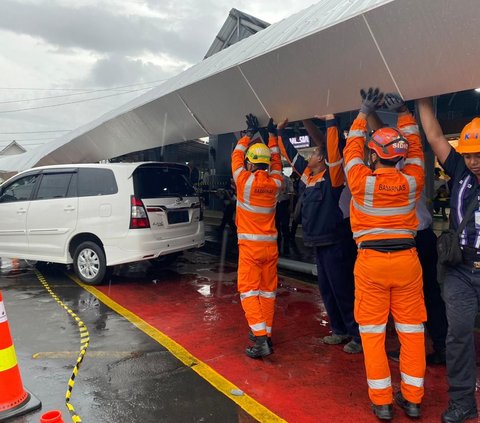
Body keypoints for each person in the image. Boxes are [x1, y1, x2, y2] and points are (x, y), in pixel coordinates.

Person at [344, 89, 426, 420]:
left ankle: (382, 403)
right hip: (408, 262)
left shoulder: (361, 181)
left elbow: (350, 149)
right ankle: (414, 400)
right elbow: (418, 152)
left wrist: (364, 111)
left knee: (373, 334)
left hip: (371, 265)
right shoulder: (412, 181)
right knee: (412, 332)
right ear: (399, 158)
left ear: (374, 157)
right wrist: (405, 114)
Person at [367, 111, 448, 366]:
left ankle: (425, 349)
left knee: (409, 305)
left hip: (409, 243)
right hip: (419, 238)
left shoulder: (391, 168)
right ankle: (439, 346)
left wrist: (368, 114)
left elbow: (387, 143)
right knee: (426, 298)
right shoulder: (411, 172)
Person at [417, 97, 480, 423]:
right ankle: (463, 402)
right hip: (461, 268)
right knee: (458, 334)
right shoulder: (459, 170)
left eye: (478, 155)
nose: (472, 161)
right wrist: (423, 96)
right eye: (468, 155)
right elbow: (435, 137)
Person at [277, 115, 362, 354]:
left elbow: (334, 152)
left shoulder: (333, 177)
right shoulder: (309, 177)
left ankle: (357, 335)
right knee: (327, 289)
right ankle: (339, 330)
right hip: (318, 243)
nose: (310, 156)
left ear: (323, 160)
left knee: (344, 289)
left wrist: (331, 123)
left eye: (314, 153)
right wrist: (279, 132)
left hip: (336, 242)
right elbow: (293, 157)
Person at [232, 113, 283, 359]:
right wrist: (272, 137)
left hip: (250, 248)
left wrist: (247, 135)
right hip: (270, 247)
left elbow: (234, 158)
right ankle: (267, 334)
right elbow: (277, 163)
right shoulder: (276, 183)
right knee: (268, 292)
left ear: (250, 164)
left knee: (249, 292)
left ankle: (261, 339)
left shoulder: (244, 181)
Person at [275, 170, 294, 254]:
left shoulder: (286, 179)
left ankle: (287, 243)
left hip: (284, 203)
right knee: (276, 225)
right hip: (275, 204)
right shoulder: (272, 179)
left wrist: (291, 205)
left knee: (285, 224)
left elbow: (291, 193)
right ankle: (277, 243)